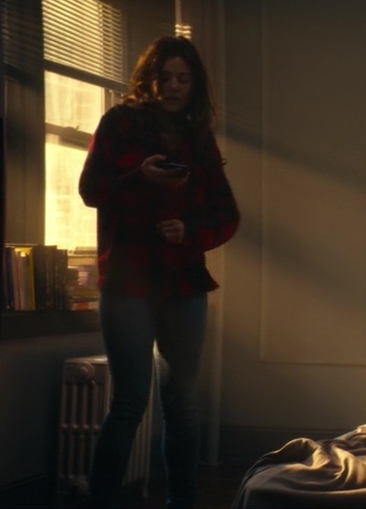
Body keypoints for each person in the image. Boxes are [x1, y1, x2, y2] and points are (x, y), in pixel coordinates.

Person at [79, 35, 240, 509]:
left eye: (183, 79)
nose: (173, 86)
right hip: (127, 282)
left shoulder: (198, 137)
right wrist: (138, 178)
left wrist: (189, 231)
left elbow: (227, 215)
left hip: (183, 283)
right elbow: (89, 189)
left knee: (182, 405)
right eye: (165, 77)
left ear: (194, 85)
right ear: (149, 79)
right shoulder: (119, 123)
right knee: (129, 403)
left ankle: (182, 502)